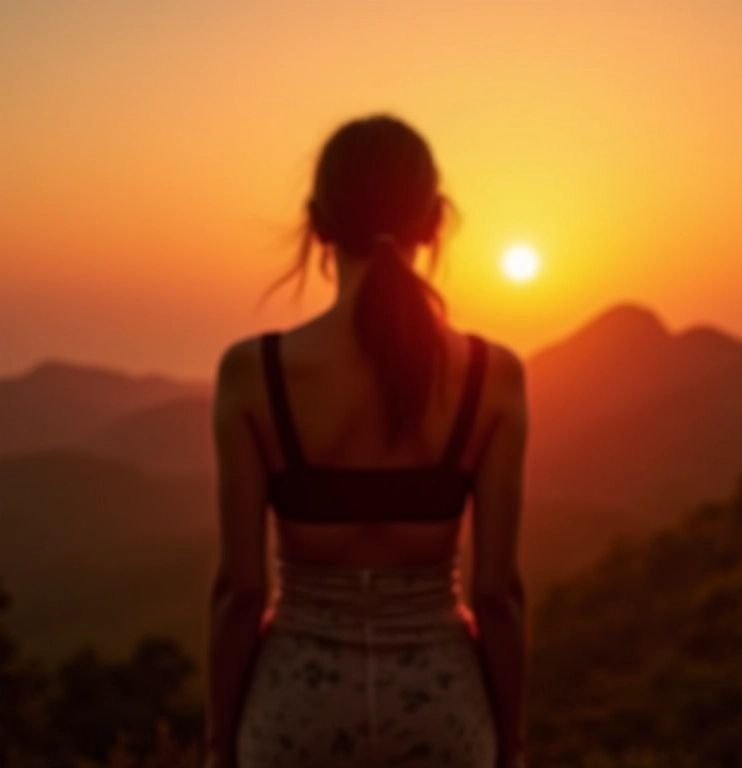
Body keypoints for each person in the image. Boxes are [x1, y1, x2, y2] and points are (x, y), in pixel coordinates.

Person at [205, 114, 528, 768]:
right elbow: (496, 595)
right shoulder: (490, 379)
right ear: (435, 221)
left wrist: (217, 746)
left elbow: (240, 591)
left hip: (295, 710)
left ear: (318, 224)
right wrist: (513, 746)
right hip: (442, 710)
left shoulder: (254, 374)